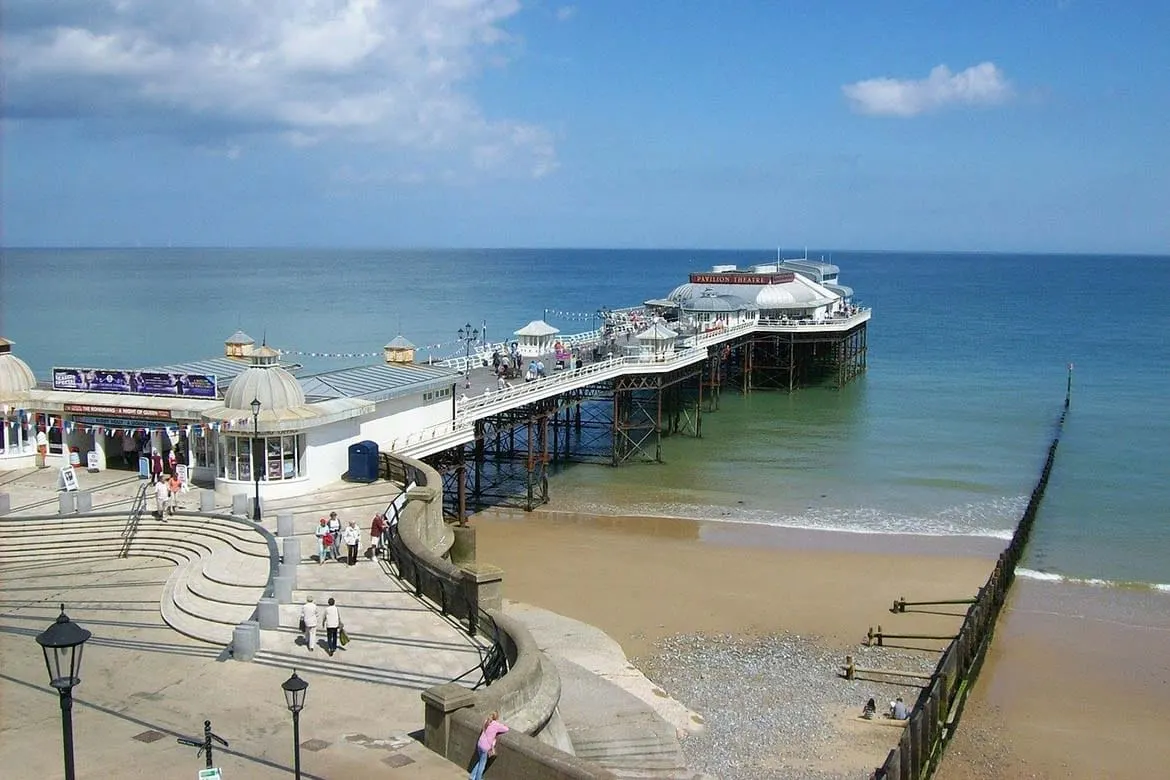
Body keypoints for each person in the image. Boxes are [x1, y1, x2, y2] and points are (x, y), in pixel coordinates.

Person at [469, 711, 509, 780]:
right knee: (482, 764)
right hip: (486, 747)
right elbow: (506, 729)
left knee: (480, 760)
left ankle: (472, 776)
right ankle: (478, 778)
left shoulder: (486, 721)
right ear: (497, 718)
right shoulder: (496, 725)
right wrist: (503, 725)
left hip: (480, 744)